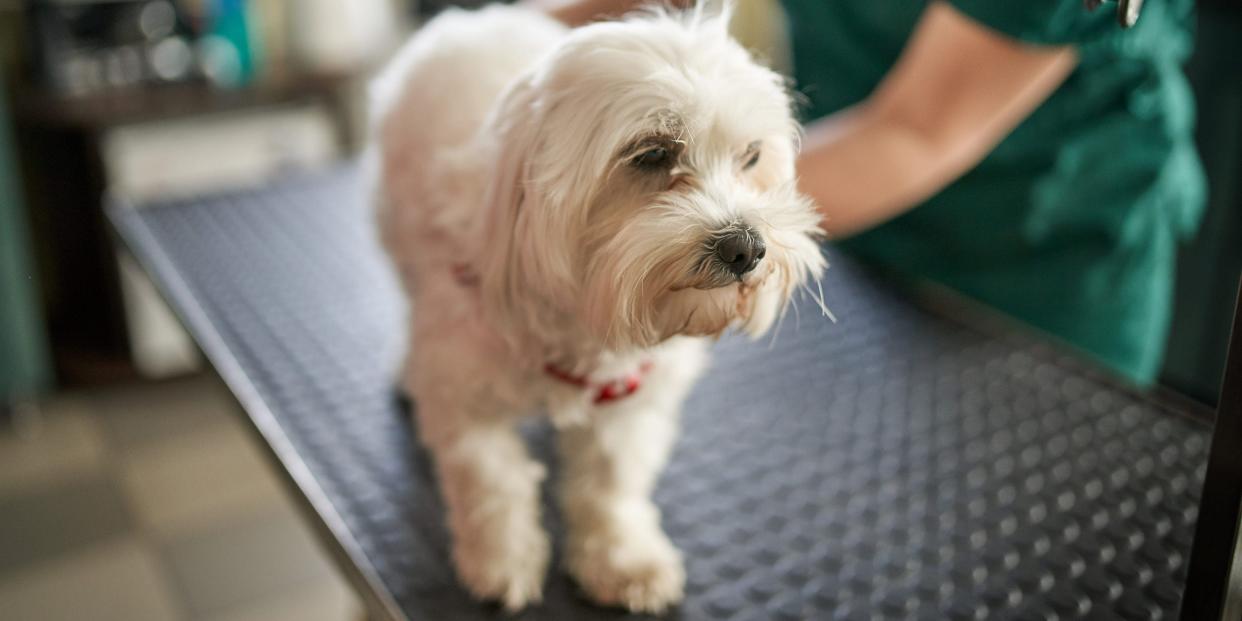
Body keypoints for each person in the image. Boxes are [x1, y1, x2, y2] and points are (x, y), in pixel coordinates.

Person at [523, 0, 1205, 385]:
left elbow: (916, 132)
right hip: (850, 254)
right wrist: (501, 58)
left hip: (1042, 271)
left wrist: (657, 239)